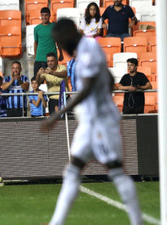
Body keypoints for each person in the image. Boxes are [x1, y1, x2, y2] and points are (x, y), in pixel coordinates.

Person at [42, 19, 143, 225]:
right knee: (72, 171)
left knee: (115, 171)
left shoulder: (87, 49)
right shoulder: (87, 50)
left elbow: (87, 88)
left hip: (101, 123)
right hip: (89, 123)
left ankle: (137, 221)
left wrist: (58, 114)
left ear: (69, 34)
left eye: (60, 42)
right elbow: (107, 76)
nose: (61, 47)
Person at [34, 7, 62, 77]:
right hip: (40, 58)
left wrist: (61, 54)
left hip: (52, 58)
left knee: (53, 79)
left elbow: (58, 41)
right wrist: (35, 55)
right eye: (42, 15)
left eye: (46, 15)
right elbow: (36, 43)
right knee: (37, 80)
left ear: (49, 16)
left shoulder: (54, 27)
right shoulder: (36, 28)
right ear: (40, 16)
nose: (44, 17)